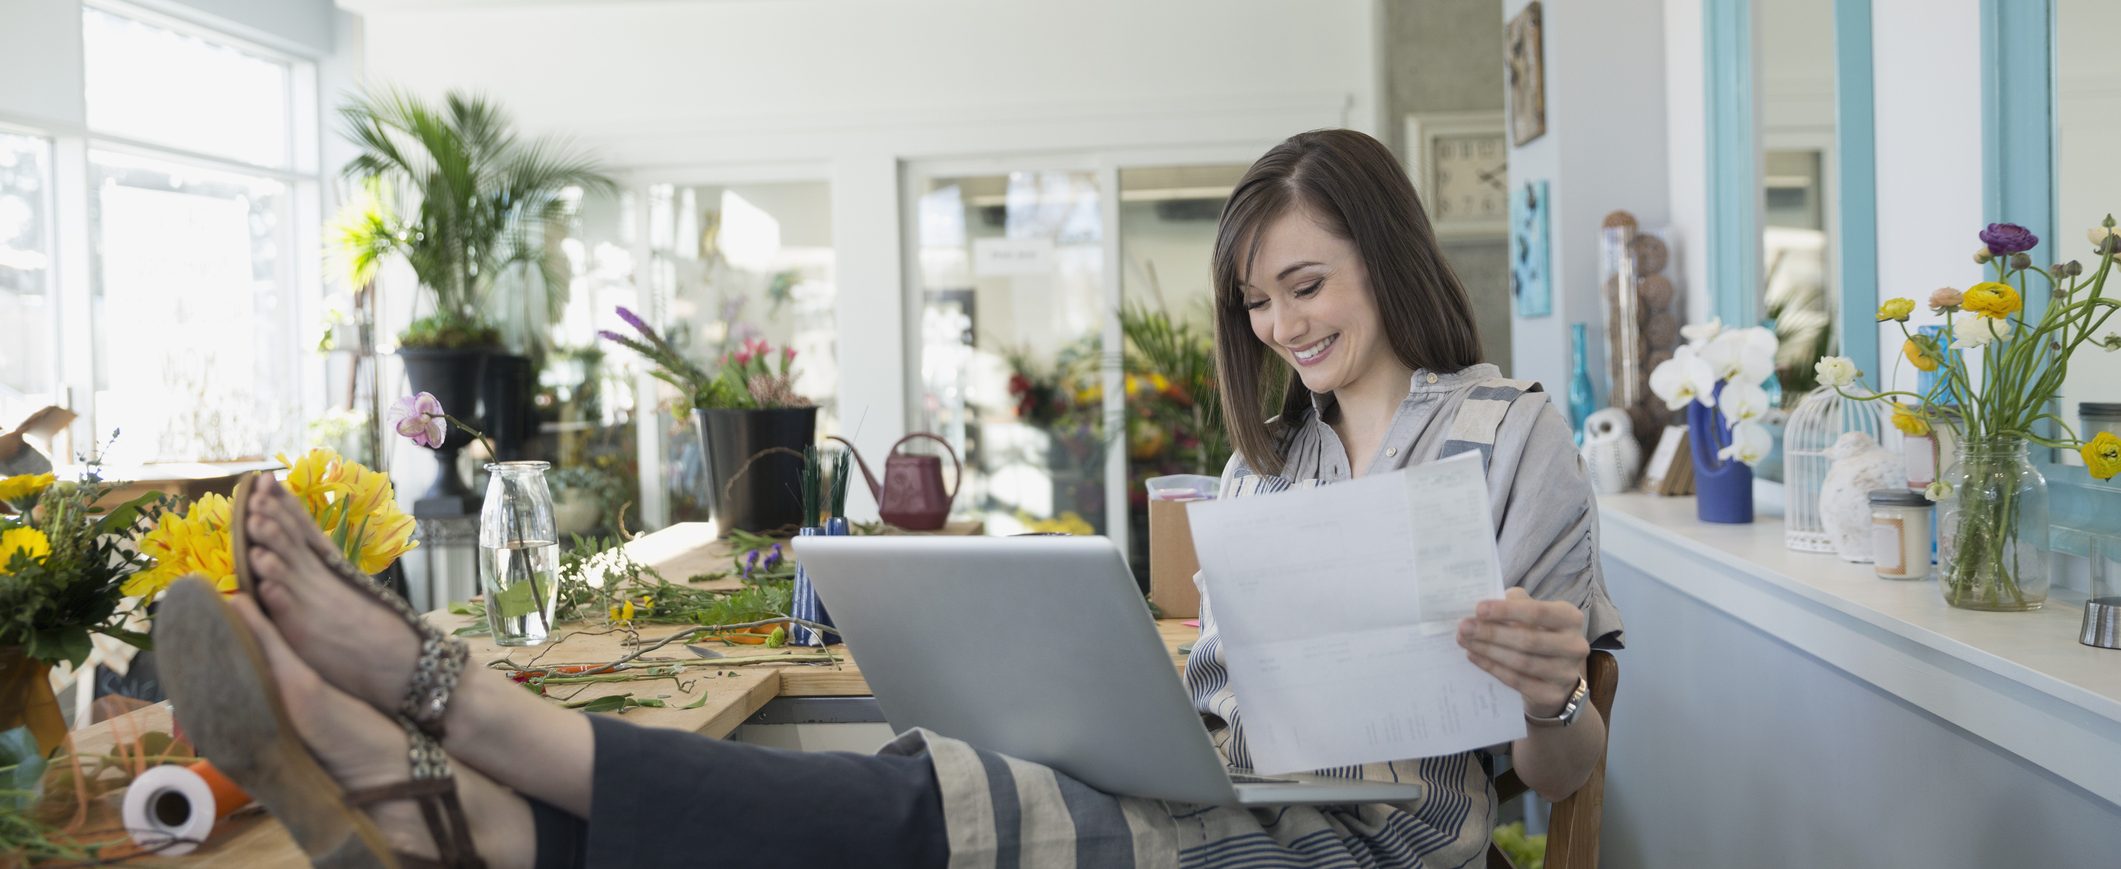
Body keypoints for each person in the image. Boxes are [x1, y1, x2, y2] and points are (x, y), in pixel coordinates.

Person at [154, 128, 1620, 869]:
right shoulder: (1262, 470)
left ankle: (461, 730)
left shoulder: (1503, 434)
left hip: (1368, 848)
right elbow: (1226, 709)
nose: (1284, 326)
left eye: (1305, 283)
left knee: (925, 805)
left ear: (1384, 252)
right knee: (931, 791)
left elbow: (1556, 786)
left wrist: (1551, 705)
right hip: (1228, 800)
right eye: (1259, 303)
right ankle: (453, 812)